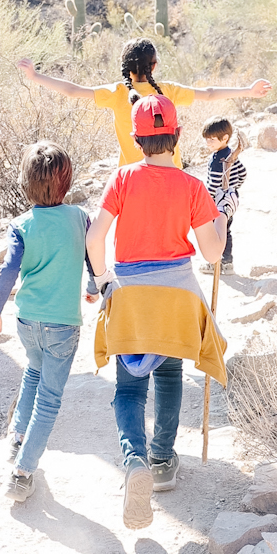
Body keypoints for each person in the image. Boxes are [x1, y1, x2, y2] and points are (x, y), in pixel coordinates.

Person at [84, 95, 227, 530]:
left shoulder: (123, 178)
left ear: (136, 138)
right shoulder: (191, 186)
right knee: (169, 376)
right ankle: (163, 460)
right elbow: (212, 251)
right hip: (177, 293)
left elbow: (95, 237)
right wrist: (220, 217)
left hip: (131, 293)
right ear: (179, 136)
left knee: (129, 391)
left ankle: (135, 461)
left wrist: (103, 279)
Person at [0, 141, 93, 503]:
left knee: (33, 370)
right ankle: (22, 472)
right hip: (63, 324)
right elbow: (93, 257)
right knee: (49, 399)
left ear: (25, 183)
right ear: (67, 181)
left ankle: (16, 438)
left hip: (28, 321)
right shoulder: (79, 217)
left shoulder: (21, 225)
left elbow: (7, 272)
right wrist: (94, 287)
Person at [16, 38, 271, 169]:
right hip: (172, 173)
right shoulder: (168, 91)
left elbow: (72, 90)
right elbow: (209, 93)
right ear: (155, 66)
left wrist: (35, 76)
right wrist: (248, 90)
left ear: (124, 69)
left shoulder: (117, 93)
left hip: (133, 176)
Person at [202, 117, 247, 271]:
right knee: (226, 231)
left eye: (212, 139)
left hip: (217, 205)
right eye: (207, 139)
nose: (208, 142)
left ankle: (214, 263)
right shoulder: (231, 155)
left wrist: (206, 202)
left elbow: (213, 187)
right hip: (230, 202)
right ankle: (227, 263)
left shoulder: (217, 161)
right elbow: (243, 173)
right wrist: (233, 189)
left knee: (216, 234)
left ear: (225, 138)